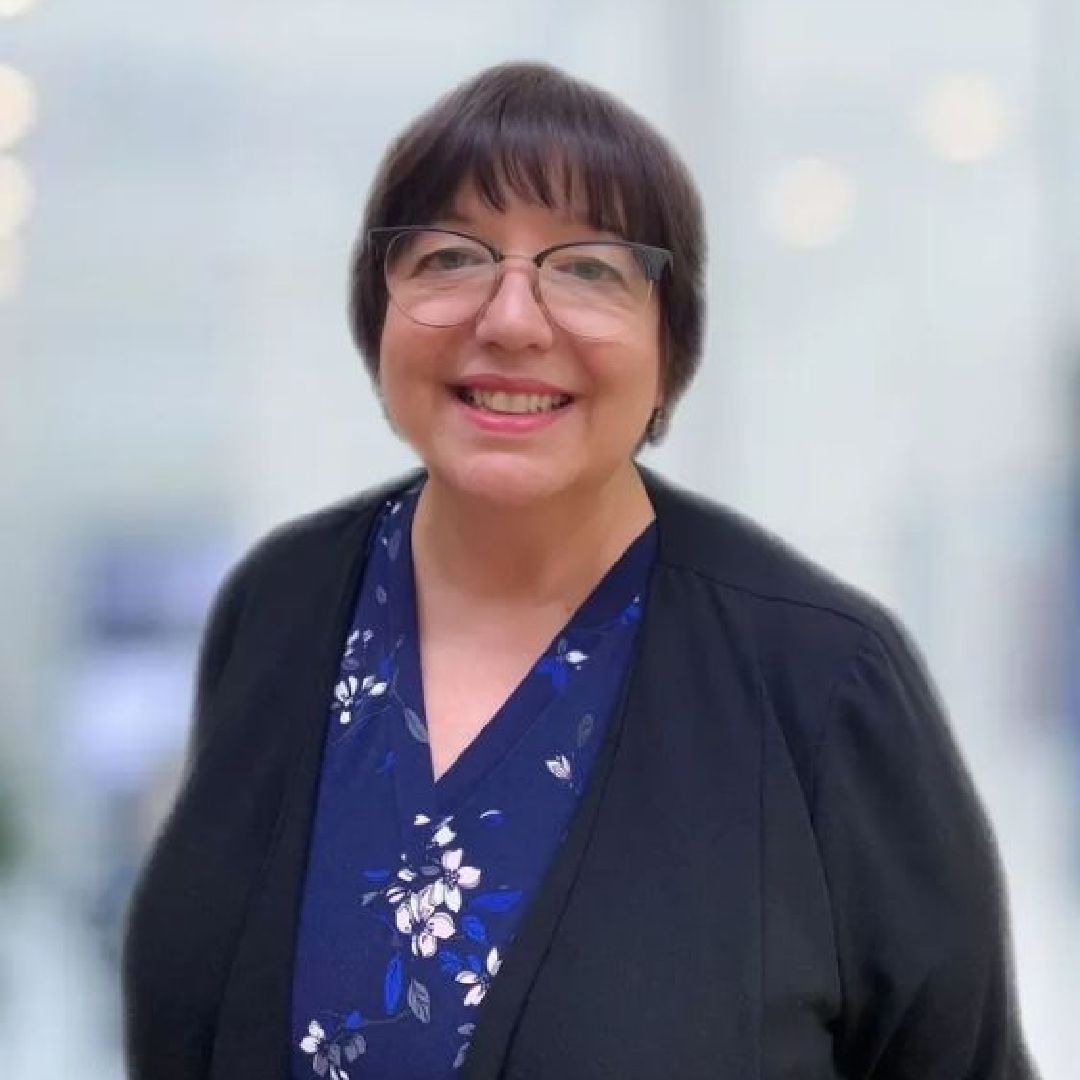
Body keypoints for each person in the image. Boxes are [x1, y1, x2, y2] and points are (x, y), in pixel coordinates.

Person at [121, 61, 1036, 1080]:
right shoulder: (281, 607)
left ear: (669, 343)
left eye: (589, 268)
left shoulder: (824, 681)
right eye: (451, 257)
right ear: (379, 311)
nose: (511, 319)